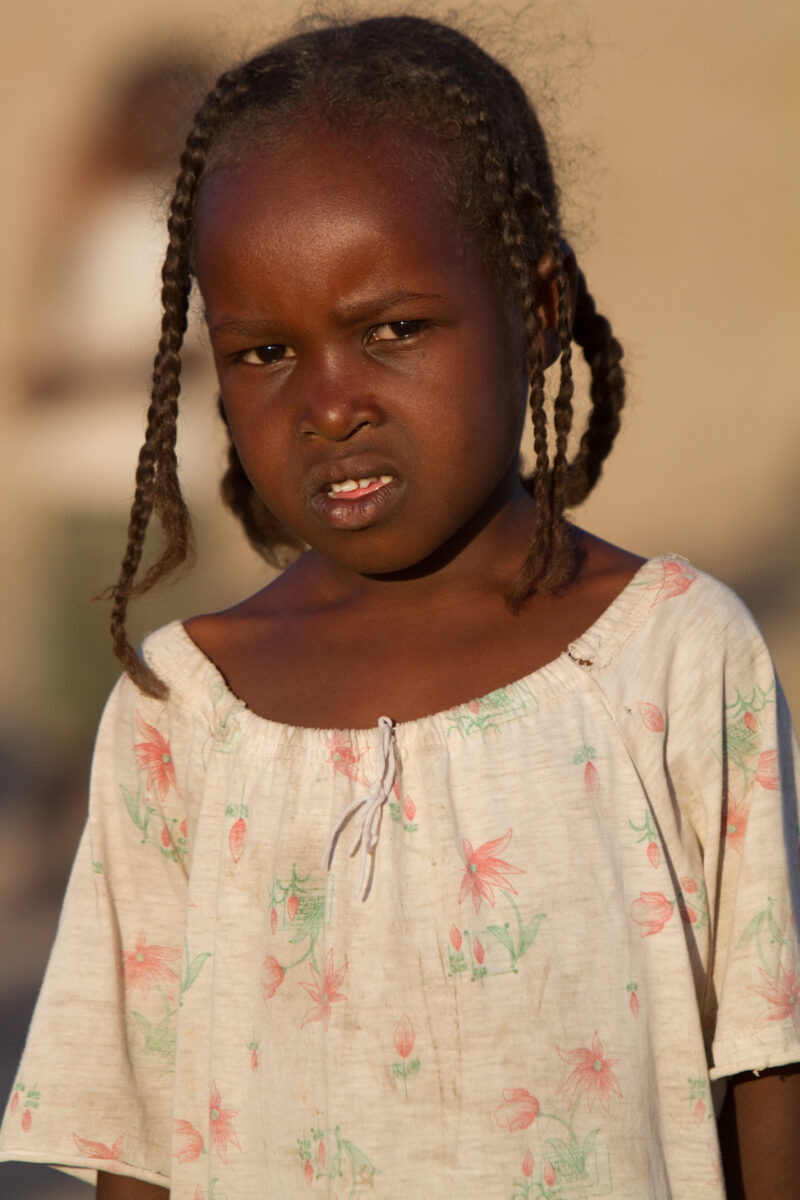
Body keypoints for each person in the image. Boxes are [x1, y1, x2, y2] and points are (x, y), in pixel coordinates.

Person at [1, 15, 798, 1200]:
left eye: (391, 331)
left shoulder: (671, 657)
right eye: (265, 353)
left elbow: (765, 1065)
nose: (329, 404)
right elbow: (139, 1145)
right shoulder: (183, 709)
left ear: (533, 310)